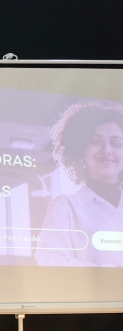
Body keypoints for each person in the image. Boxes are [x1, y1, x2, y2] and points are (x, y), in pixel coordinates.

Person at [36, 103, 123, 267]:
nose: (107, 150)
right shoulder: (65, 207)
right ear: (81, 150)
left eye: (116, 143)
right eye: (96, 141)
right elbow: (50, 262)